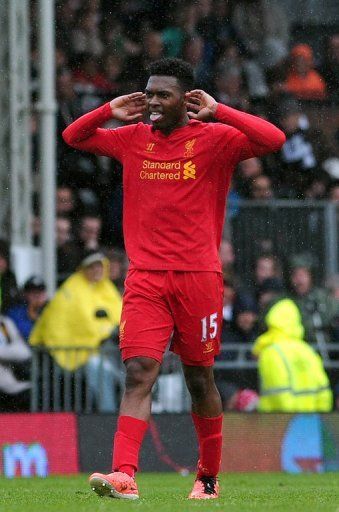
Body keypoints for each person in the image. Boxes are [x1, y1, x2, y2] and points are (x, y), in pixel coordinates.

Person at [63, 57, 285, 500]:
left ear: (187, 99)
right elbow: (73, 136)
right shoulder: (132, 140)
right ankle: (124, 474)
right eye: (149, 94)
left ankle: (207, 476)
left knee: (199, 379)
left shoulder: (216, 139)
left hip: (198, 278)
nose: (153, 102)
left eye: (163, 95)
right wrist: (108, 110)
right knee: (138, 372)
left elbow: (273, 139)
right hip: (145, 278)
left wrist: (221, 110)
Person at [29, 250, 122, 412]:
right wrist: (105, 330)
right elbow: (74, 322)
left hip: (109, 350)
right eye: (92, 267)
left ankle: (136, 411)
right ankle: (110, 414)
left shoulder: (107, 289)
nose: (97, 271)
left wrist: (109, 330)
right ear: (83, 268)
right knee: (100, 370)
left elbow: (121, 317)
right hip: (79, 353)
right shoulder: (72, 289)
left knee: (133, 369)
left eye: (100, 266)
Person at [253, 278, 332, 412]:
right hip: (311, 424)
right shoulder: (308, 351)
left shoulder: (271, 353)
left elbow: (279, 395)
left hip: (279, 426)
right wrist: (318, 418)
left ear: (271, 318)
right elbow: (324, 393)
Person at [6, 276, 47, 342]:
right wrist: (31, 317)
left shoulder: (50, 310)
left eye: (40, 292)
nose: (37, 296)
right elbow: (22, 336)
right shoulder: (15, 312)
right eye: (33, 292)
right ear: (25, 294)